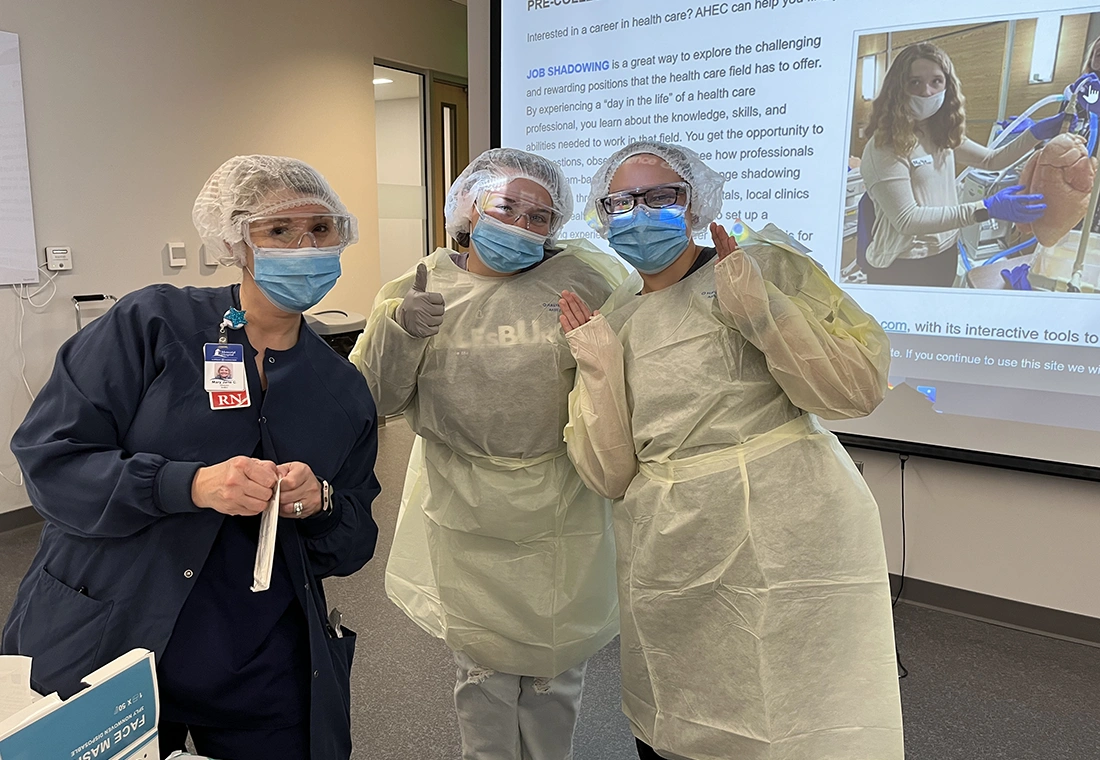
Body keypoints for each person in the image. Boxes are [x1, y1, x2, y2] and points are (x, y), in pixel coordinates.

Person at [2, 155, 381, 760]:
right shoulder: (152, 324)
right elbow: (51, 461)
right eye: (279, 230)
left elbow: (353, 545)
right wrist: (188, 485)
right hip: (108, 633)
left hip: (257, 659)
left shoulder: (341, 390)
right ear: (235, 240)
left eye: (321, 228)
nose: (306, 246)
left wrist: (322, 503)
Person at [558, 141, 904, 760]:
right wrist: (599, 366)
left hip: (785, 527)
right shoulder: (616, 317)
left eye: (662, 196)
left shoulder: (758, 266)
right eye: (622, 202)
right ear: (602, 216)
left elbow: (853, 389)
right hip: (671, 542)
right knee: (680, 709)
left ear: (696, 204)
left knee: (795, 707)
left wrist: (763, 313)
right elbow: (610, 474)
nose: (641, 213)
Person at [350, 148, 625, 760]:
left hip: (563, 502)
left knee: (557, 672)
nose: (522, 225)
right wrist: (399, 331)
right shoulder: (420, 287)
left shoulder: (584, 282)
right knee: (482, 673)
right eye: (507, 207)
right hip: (465, 503)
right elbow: (374, 401)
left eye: (539, 216)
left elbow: (621, 386)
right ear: (467, 208)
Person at [860, 42, 1059, 287]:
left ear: (947, 85)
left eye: (936, 81)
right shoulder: (884, 146)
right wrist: (986, 208)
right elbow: (907, 219)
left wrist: (1035, 134)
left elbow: (991, 160)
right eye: (914, 82)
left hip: (945, 253)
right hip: (903, 264)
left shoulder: (939, 133)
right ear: (897, 87)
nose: (927, 92)